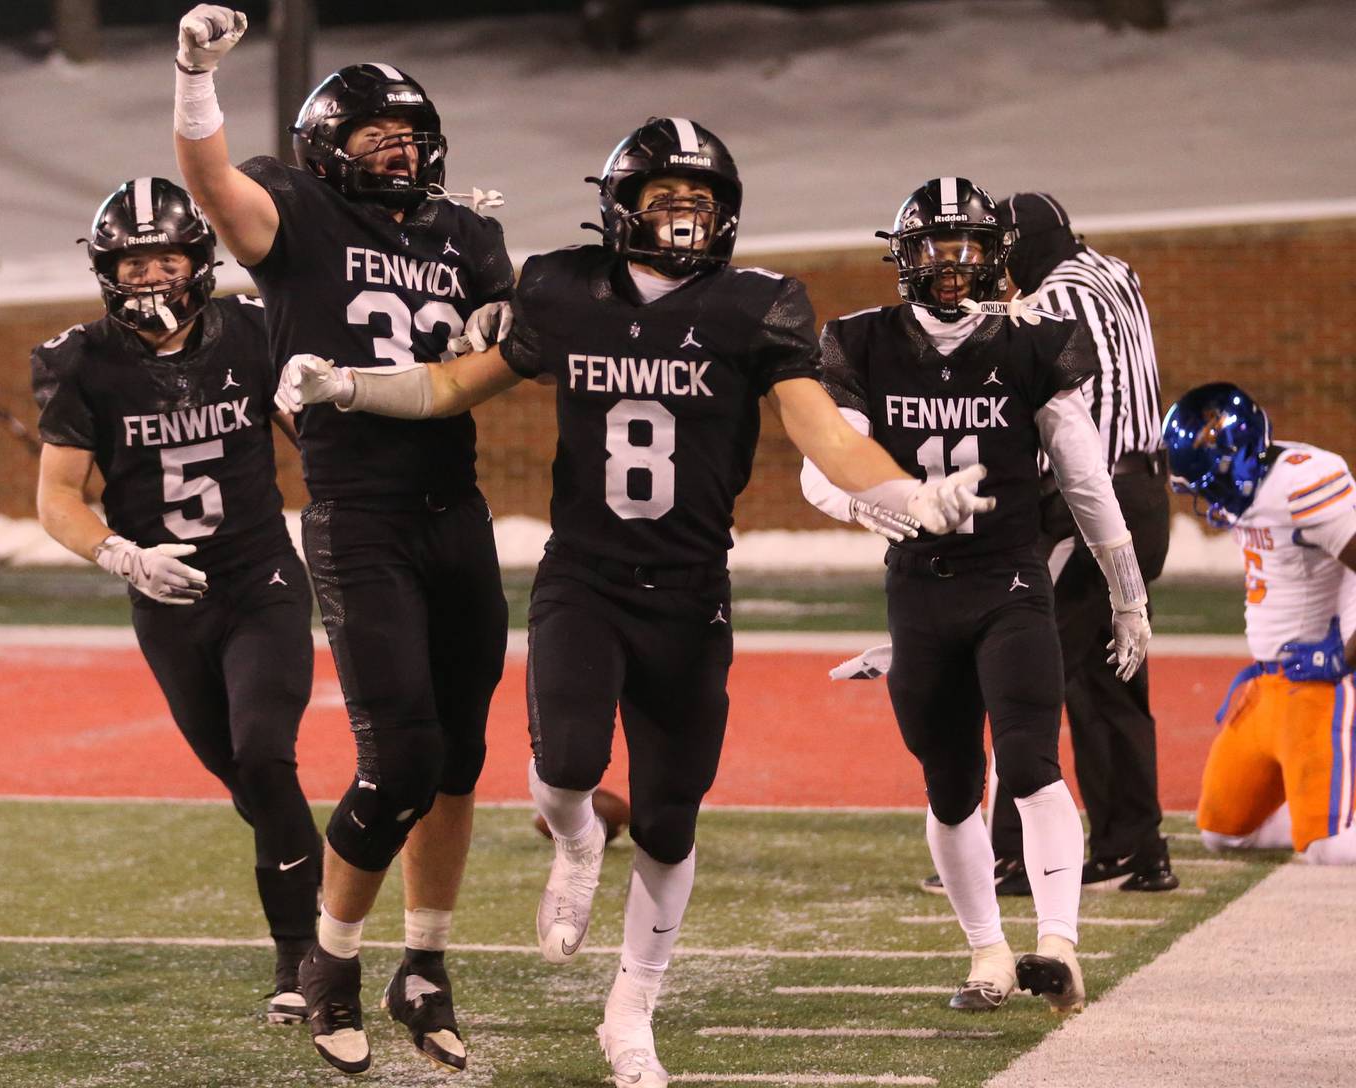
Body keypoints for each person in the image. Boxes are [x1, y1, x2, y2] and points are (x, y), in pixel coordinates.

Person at [277, 117, 989, 1087]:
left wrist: (909, 494)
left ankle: (631, 1014)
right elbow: (451, 386)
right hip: (586, 575)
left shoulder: (759, 304)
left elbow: (823, 434)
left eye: (700, 201)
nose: (684, 217)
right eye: (664, 200)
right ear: (620, 209)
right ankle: (576, 839)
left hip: (691, 589)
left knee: (670, 815)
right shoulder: (566, 289)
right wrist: (350, 387)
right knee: (564, 767)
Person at [172, 6, 517, 1075]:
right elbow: (212, 187)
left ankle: (428, 964)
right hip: (358, 516)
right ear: (329, 147)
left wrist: (498, 320)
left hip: (455, 510)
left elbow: (499, 342)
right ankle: (330, 960)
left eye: (409, 135)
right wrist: (194, 79)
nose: (398, 151)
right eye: (375, 136)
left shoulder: (465, 235)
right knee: (401, 755)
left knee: (459, 759)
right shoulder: (298, 210)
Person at [801, 177, 1154, 1016]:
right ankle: (987, 953)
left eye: (969, 247)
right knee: (950, 784)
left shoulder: (1033, 342)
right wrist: (887, 506)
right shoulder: (862, 342)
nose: (953, 264)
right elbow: (822, 473)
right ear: (906, 256)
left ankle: (1058, 945)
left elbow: (1086, 479)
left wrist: (1127, 594)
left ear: (996, 255)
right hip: (919, 588)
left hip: (1010, 580)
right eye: (937, 247)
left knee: (1030, 761)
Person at [31, 177, 322, 1023]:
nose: (151, 278)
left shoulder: (254, 331)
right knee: (243, 782)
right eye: (134, 264)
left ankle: (303, 957)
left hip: (260, 579)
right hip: (165, 599)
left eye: (165, 260)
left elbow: (321, 442)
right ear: (107, 272)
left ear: (198, 261)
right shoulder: (82, 360)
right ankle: (315, 890)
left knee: (265, 755)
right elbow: (57, 497)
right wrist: (121, 555)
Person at [977, 193, 1177, 895]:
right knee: (1111, 675)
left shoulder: (1050, 301)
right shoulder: (1116, 272)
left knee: (1029, 673)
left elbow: (1056, 410)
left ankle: (1009, 854)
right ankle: (1136, 845)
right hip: (1148, 495)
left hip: (1092, 506)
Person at [1162, 382, 1356, 864]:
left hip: (1319, 685)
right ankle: (1324, 802)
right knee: (1223, 833)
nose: (1206, 498)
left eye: (1209, 482)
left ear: (1239, 459)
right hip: (1265, 685)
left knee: (1329, 850)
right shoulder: (1255, 489)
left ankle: (1333, 815)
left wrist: (1341, 655)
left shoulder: (1302, 485)